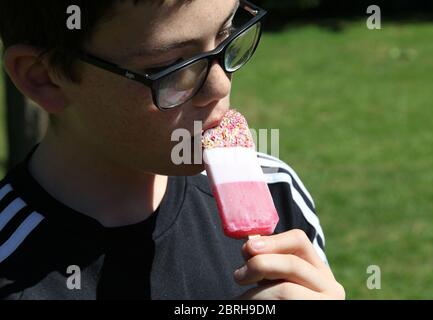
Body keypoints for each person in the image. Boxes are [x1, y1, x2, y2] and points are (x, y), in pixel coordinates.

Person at [0, 0, 345, 300]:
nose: (219, 86)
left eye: (226, 35)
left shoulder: (279, 191)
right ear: (43, 77)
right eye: (169, 66)